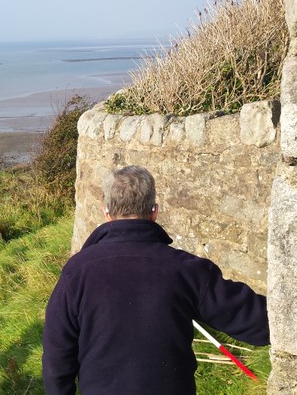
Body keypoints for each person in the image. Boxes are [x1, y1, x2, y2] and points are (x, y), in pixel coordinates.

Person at [42, 165, 269, 394]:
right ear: (154, 212)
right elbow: (260, 322)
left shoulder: (77, 271)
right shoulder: (187, 270)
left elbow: (57, 356)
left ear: (107, 213)